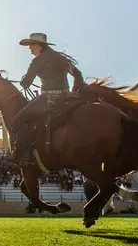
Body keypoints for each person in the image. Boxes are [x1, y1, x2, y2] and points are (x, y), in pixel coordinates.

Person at [6, 33, 84, 166]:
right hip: (66, 96)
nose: (29, 48)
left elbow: (26, 82)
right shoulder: (60, 57)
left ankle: (23, 153)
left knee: (19, 119)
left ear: (38, 46)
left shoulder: (37, 61)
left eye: (31, 45)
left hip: (48, 98)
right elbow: (77, 74)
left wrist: (24, 80)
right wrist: (75, 92)